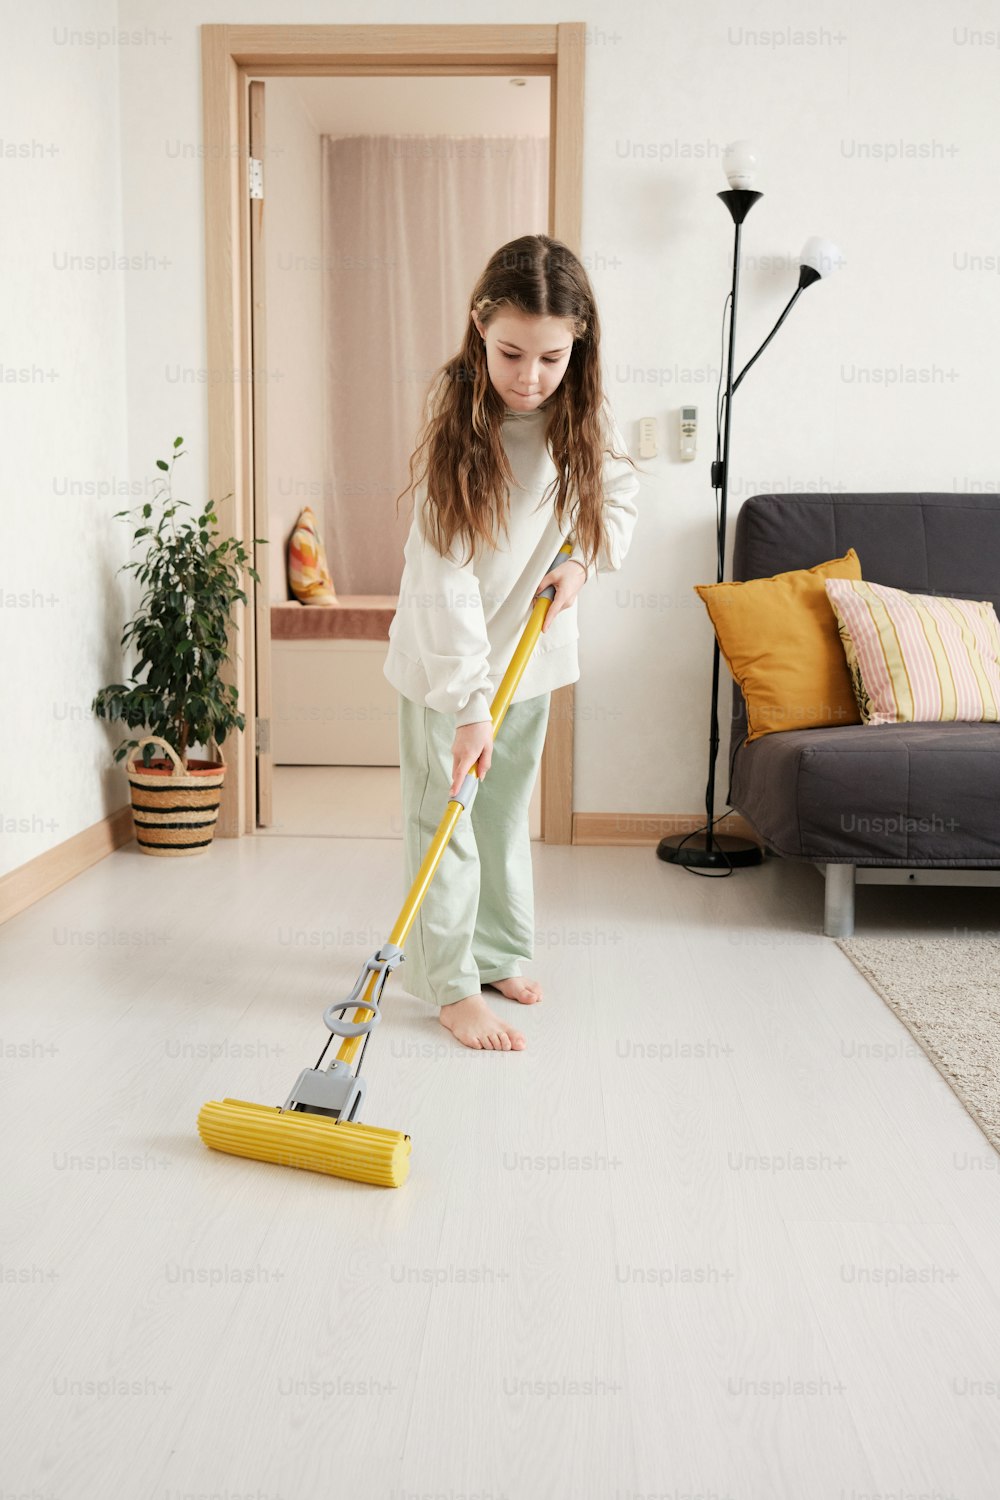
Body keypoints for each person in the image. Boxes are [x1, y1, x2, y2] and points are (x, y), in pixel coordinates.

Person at [384, 233, 640, 1052]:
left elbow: (621, 497)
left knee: (499, 819)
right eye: (510, 353)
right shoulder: (459, 435)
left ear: (581, 345)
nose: (529, 377)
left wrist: (580, 564)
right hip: (446, 672)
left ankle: (495, 953)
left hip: (530, 661)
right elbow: (442, 583)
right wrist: (467, 708)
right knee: (447, 823)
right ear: (478, 329)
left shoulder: (579, 418)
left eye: (552, 357)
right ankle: (451, 986)